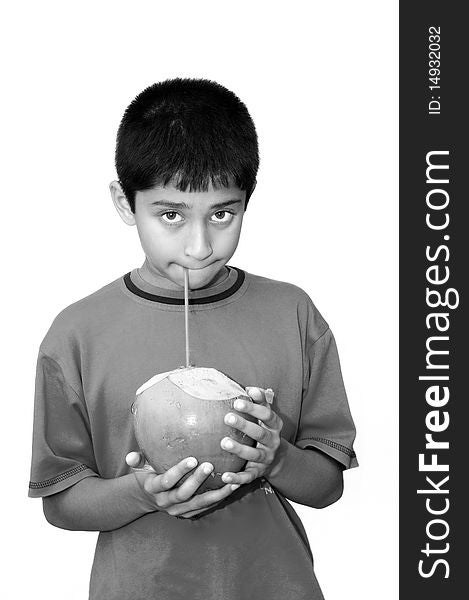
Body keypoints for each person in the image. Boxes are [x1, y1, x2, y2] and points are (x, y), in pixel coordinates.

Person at [28, 78, 358, 600]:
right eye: (171, 215)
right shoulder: (77, 334)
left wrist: (275, 457)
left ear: (247, 201)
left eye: (222, 213)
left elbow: (327, 486)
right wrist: (141, 493)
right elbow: (60, 501)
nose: (200, 245)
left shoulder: (293, 314)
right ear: (124, 202)